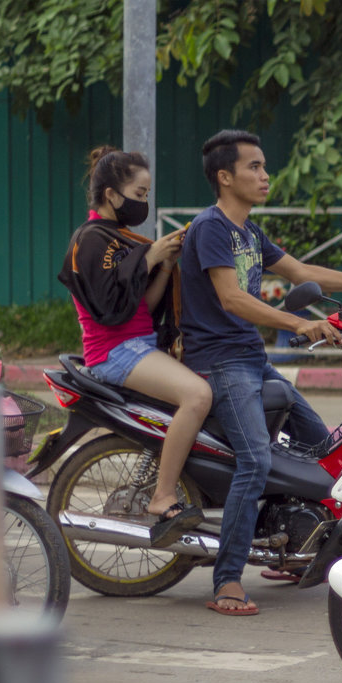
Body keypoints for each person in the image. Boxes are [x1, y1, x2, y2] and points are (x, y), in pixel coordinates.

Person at [178, 129, 342, 616]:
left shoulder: (249, 232)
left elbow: (299, 272)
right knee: (256, 460)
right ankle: (227, 580)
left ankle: (292, 541)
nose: (264, 175)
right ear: (224, 176)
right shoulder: (211, 228)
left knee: (325, 445)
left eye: (264, 166)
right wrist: (300, 323)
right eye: (254, 167)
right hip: (220, 361)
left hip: (251, 358)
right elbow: (232, 297)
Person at [58, 146, 212, 549]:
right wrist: (150, 256)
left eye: (146, 195)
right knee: (197, 396)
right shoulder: (90, 240)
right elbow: (108, 307)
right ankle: (162, 497)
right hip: (115, 351)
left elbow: (140, 306)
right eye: (139, 194)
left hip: (137, 343)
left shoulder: (123, 240)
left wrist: (160, 264)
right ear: (111, 194)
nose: (143, 202)